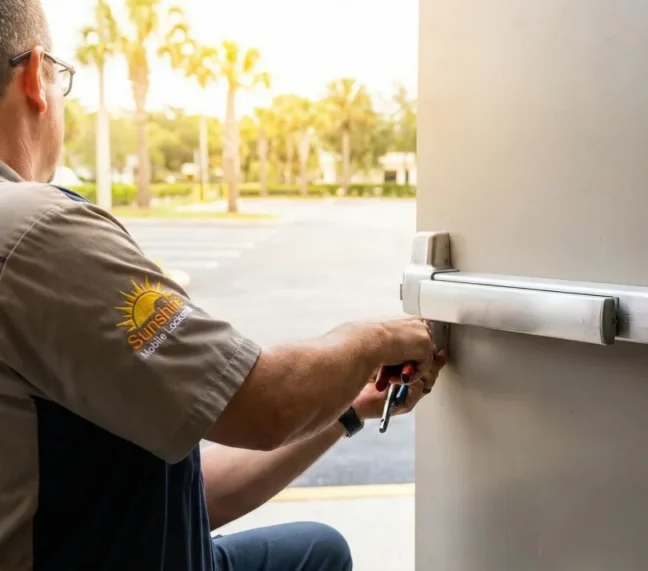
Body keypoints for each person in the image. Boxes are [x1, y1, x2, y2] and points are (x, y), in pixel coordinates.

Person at [0, 1, 446, 569]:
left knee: (317, 549)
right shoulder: (33, 229)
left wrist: (351, 408)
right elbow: (267, 404)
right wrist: (375, 339)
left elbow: (195, 492)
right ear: (38, 76)